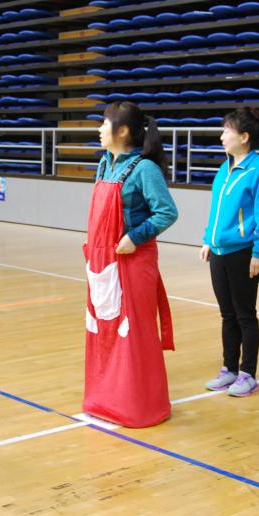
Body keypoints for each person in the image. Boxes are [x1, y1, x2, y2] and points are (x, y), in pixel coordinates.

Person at [83, 101, 178, 428]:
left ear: (122, 131)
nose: (99, 129)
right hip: (103, 262)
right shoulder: (104, 165)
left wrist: (135, 237)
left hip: (134, 262)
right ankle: (106, 400)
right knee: (103, 329)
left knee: (134, 332)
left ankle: (140, 406)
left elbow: (167, 212)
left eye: (104, 123)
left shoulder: (144, 169)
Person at [200, 107, 259, 398]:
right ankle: (229, 368)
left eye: (227, 131)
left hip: (243, 253)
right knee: (227, 315)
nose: (222, 137)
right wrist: (208, 239)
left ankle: (248, 373)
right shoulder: (225, 167)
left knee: (245, 315)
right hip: (218, 252)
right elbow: (216, 209)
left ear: (244, 137)